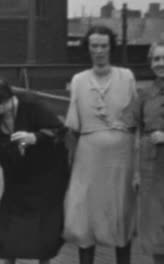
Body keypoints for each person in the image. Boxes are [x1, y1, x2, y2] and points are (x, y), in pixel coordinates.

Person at [0, 76, 70, 264]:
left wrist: (35, 137)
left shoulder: (31, 105)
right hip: (17, 176)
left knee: (42, 230)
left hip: (47, 175)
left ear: (2, 103)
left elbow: (59, 130)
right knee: (8, 228)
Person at [63, 25, 138, 264]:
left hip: (121, 158)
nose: (99, 50)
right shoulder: (78, 80)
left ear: (111, 47)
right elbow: (72, 127)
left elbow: (137, 122)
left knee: (120, 214)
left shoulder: (126, 76)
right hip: (89, 157)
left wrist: (137, 166)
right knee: (85, 214)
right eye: (94, 45)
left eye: (104, 45)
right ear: (88, 48)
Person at [136, 39, 164, 264]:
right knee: (155, 227)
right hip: (152, 168)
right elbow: (138, 130)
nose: (161, 63)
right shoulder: (145, 94)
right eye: (156, 58)